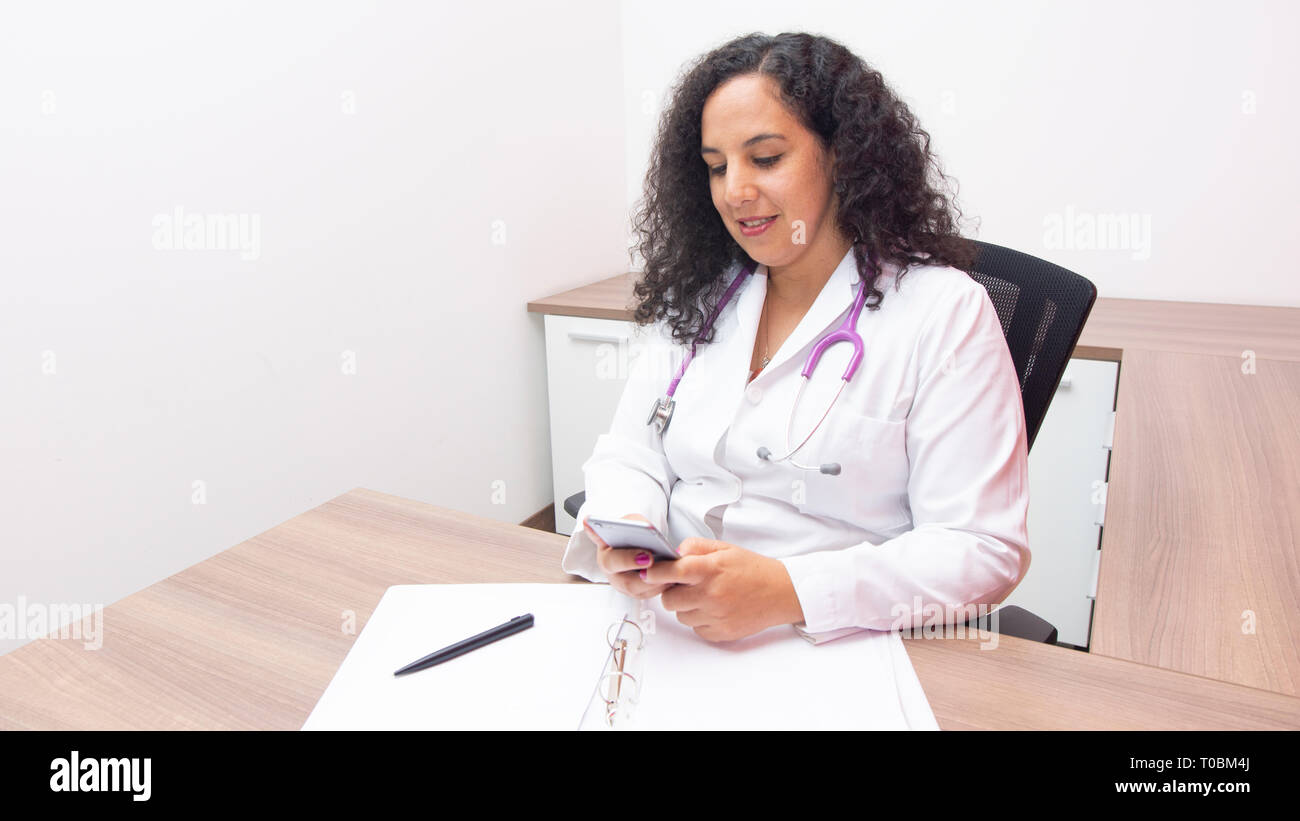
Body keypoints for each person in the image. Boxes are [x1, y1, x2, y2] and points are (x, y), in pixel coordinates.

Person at [561, 32, 1030, 643]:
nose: (734, 191)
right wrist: (629, 529)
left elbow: (980, 548)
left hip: (835, 640)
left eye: (765, 158)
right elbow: (630, 453)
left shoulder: (942, 312)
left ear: (842, 155)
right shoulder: (707, 294)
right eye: (716, 167)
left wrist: (790, 592)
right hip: (666, 627)